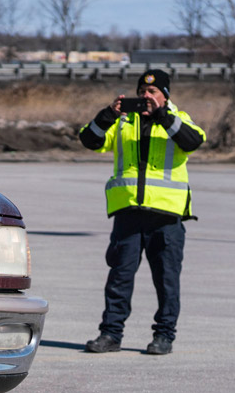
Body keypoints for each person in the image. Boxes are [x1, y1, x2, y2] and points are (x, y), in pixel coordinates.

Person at [78, 69, 206, 355]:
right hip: (128, 213)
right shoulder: (124, 122)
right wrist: (107, 114)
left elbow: (193, 141)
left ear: (165, 95)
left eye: (152, 92)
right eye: (142, 91)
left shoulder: (177, 119)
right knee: (119, 277)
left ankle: (164, 336)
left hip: (166, 215)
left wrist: (163, 115)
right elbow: (89, 139)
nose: (146, 96)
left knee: (166, 279)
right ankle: (110, 334)